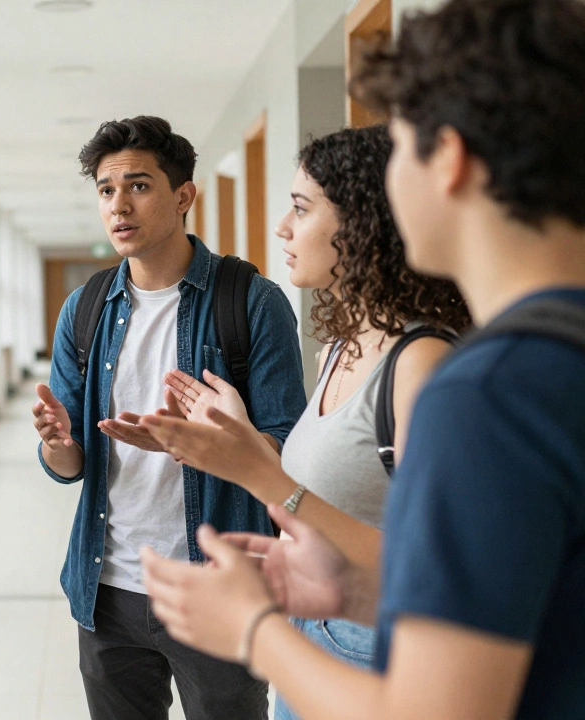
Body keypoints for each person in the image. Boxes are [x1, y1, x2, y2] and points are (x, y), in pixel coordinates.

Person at [138, 1, 585, 718]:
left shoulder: (487, 392)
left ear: (450, 160)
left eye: (401, 147)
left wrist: (253, 630)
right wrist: (356, 590)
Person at [145, 124, 470, 719]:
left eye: (301, 208)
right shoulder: (341, 348)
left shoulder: (421, 363)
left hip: (380, 652)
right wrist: (240, 443)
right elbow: (325, 499)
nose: (282, 228)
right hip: (314, 633)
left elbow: (433, 566)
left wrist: (262, 477)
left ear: (366, 222)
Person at [32, 115, 307, 720]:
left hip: (217, 583)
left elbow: (288, 445)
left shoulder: (252, 303)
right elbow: (70, 464)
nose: (118, 205)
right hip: (107, 590)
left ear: (183, 195)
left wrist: (204, 442)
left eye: (138, 185)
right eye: (106, 190)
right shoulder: (84, 310)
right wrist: (57, 441)